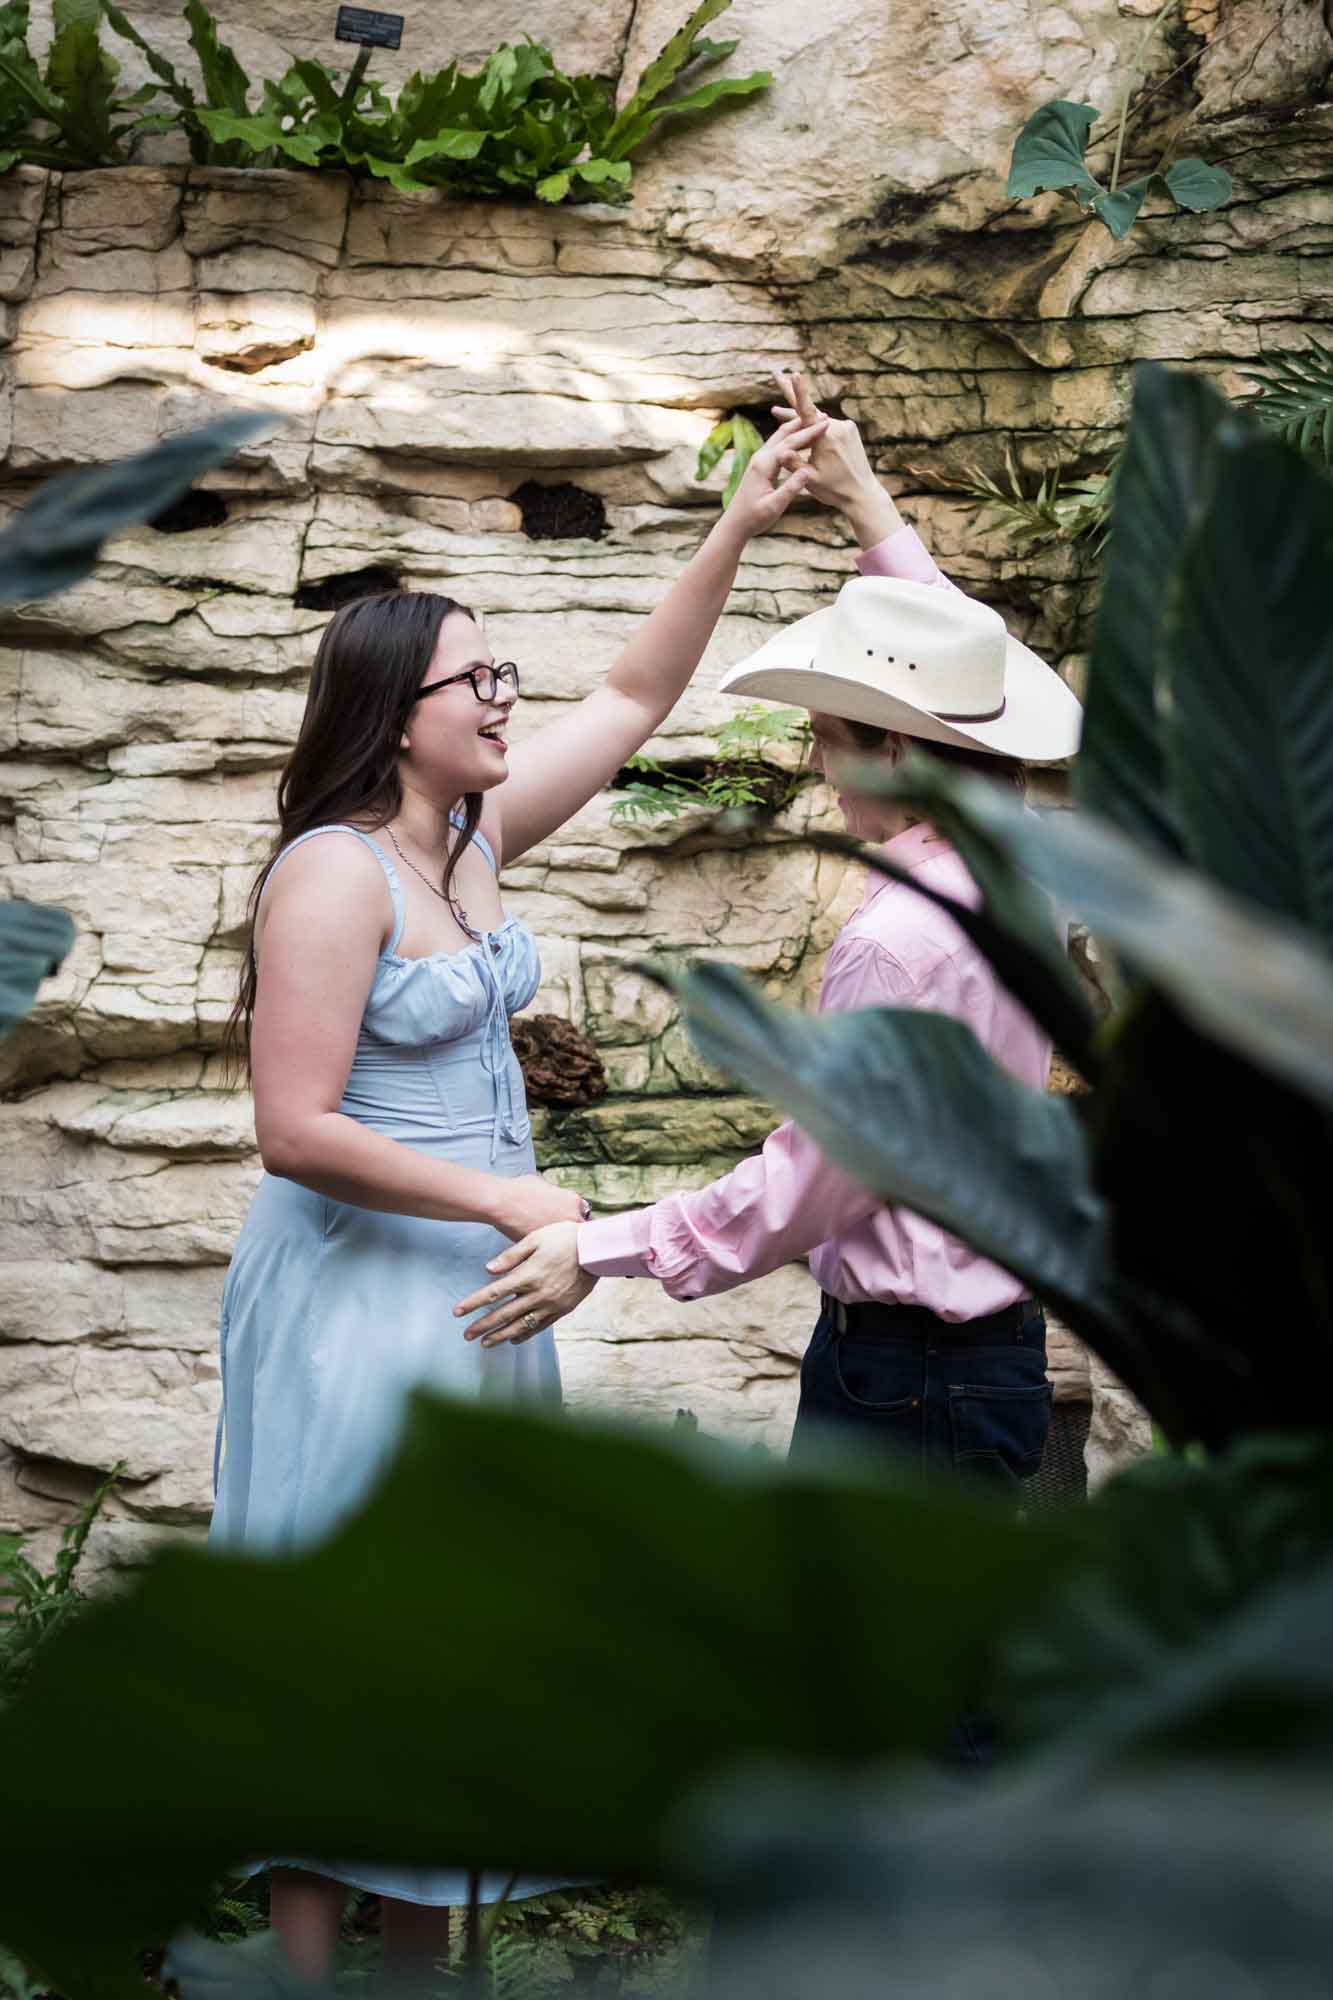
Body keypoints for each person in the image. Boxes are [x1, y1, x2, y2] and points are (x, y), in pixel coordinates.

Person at [210, 412, 826, 1982]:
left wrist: (739, 525)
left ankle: (415, 1975)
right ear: (391, 712)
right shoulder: (332, 872)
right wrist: (506, 1199)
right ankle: (300, 1979)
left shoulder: (474, 839)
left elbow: (630, 692)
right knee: (339, 1619)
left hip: (477, 1294)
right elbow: (290, 1125)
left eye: (502, 678)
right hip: (358, 1288)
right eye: (475, 681)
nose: (505, 698)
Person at [455, 374, 1083, 1499]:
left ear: (895, 752)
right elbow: (957, 680)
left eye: (829, 738)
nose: (813, 764)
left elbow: (814, 1181)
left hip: (905, 1377)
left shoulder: (899, 936)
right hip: (987, 1355)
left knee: (883, 1674)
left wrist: (599, 1246)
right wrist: (865, 502)